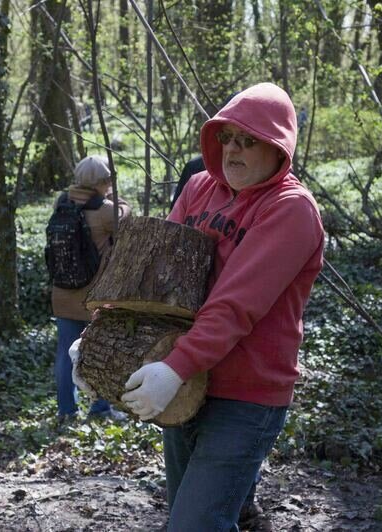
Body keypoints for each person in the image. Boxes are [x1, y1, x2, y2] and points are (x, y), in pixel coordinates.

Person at [121, 83, 325, 531]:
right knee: (194, 517)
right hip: (187, 387)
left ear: (278, 149)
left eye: (248, 141)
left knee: (193, 526)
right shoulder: (199, 188)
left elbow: (235, 305)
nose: (232, 150)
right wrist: (103, 333)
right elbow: (154, 277)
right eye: (227, 137)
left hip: (244, 396)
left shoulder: (291, 210)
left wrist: (173, 367)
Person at [52, 155, 130, 424]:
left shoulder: (61, 203)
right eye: (107, 180)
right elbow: (126, 222)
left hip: (62, 292)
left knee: (65, 353)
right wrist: (123, 204)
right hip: (94, 295)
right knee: (99, 350)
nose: (109, 185)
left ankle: (66, 412)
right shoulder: (106, 210)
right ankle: (100, 409)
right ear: (100, 183)